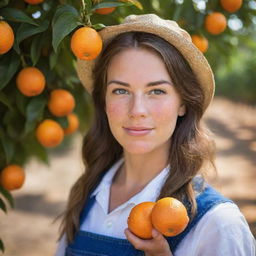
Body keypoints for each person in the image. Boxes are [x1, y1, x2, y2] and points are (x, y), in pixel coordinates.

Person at [55, 14, 255, 256]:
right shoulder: (87, 196)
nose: (137, 111)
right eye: (120, 90)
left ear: (183, 103)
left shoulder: (217, 224)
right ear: (104, 101)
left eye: (156, 91)